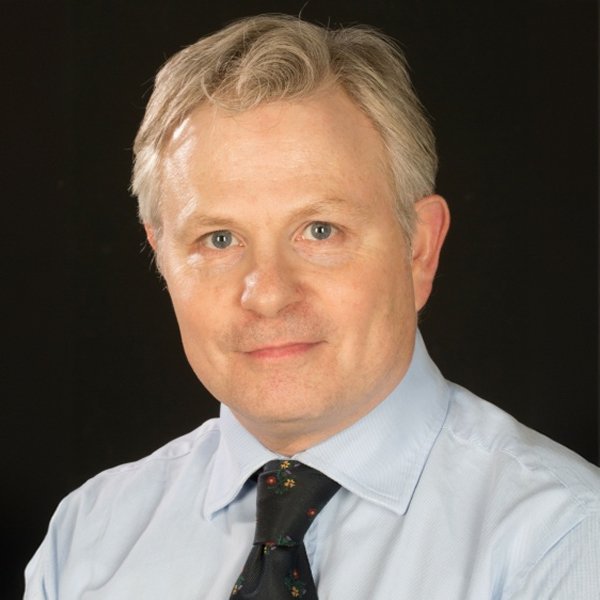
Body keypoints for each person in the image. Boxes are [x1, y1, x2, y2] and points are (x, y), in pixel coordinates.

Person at [25, 14, 600, 599]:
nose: (268, 294)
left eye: (320, 230)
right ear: (162, 257)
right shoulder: (87, 540)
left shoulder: (564, 541)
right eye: (219, 239)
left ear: (419, 249)